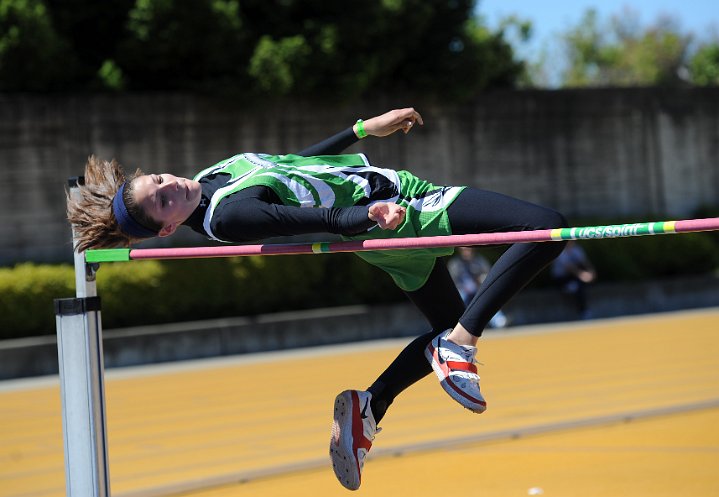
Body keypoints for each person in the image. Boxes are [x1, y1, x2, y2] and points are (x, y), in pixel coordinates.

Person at [67, 107, 567, 490]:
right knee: (547, 229)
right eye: (162, 201)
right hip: (400, 210)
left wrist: (363, 130)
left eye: (157, 181)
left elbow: (293, 166)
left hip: (383, 224)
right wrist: (370, 214)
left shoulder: (216, 173)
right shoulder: (229, 216)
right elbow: (310, 223)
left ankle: (369, 406)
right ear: (168, 227)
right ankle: (461, 346)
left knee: (446, 321)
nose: (170, 186)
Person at [448, 246, 509, 328]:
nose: (466, 251)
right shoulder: (455, 263)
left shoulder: (479, 261)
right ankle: (455, 324)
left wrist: (480, 279)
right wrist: (462, 287)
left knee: (488, 299)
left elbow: (488, 275)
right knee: (460, 299)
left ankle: (499, 320)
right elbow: (452, 281)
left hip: (478, 289)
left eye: (468, 249)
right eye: (464, 249)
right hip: (462, 291)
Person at [551, 240, 597, 319]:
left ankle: (584, 310)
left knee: (580, 286)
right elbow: (569, 267)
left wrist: (591, 272)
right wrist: (582, 275)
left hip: (574, 277)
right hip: (561, 278)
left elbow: (585, 262)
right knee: (578, 287)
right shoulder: (560, 251)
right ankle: (583, 311)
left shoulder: (576, 249)